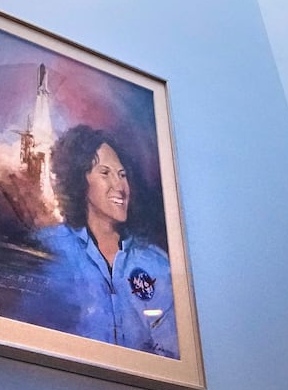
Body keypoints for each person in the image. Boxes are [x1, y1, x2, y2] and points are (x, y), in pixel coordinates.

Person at [33, 124, 179, 358]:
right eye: (105, 173)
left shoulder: (157, 263)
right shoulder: (47, 250)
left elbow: (173, 355)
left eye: (122, 175)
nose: (120, 187)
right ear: (79, 180)